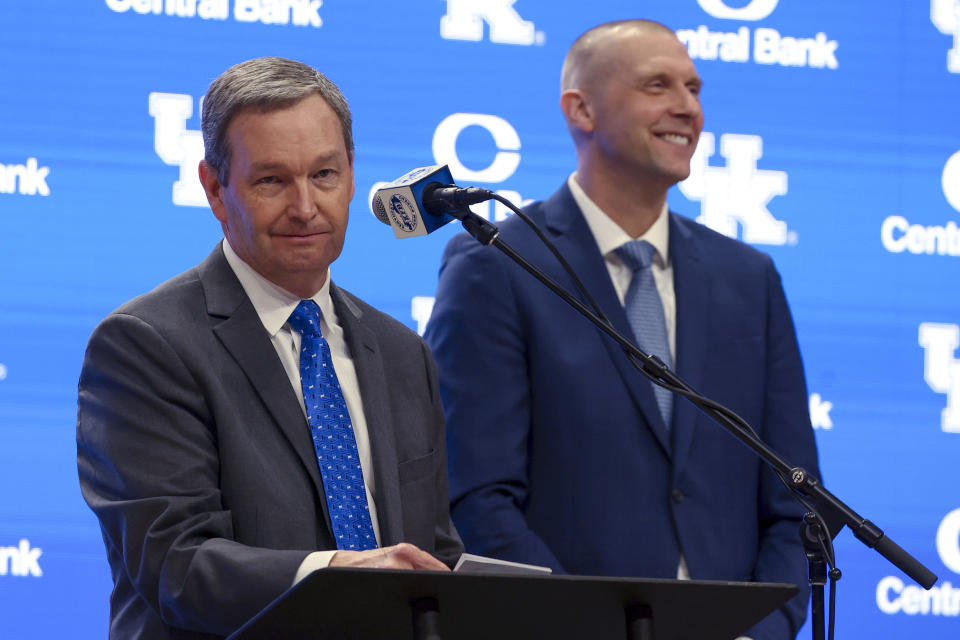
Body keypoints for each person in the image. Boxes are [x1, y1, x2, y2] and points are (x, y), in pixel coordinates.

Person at [424, 20, 819, 639]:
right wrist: (592, 628)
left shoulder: (749, 278)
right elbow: (478, 497)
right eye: (658, 85)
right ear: (580, 109)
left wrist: (756, 632)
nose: (687, 107)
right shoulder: (497, 266)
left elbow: (795, 501)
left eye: (694, 87)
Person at [77, 57, 462, 639]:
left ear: (353, 176)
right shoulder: (145, 344)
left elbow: (434, 552)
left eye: (324, 175)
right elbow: (177, 567)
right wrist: (337, 574)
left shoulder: (403, 352)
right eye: (272, 180)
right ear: (214, 188)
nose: (305, 207)